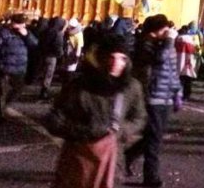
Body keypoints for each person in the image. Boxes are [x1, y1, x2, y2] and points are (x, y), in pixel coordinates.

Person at [46, 34, 147, 188]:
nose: (116, 63)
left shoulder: (131, 87)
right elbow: (54, 119)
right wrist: (83, 131)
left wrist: (120, 131)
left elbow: (139, 117)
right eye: (111, 57)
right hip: (76, 160)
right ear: (101, 58)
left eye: (122, 58)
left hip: (112, 160)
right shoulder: (79, 86)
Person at [125, 14, 182, 188]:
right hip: (153, 96)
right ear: (156, 31)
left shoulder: (164, 45)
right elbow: (159, 59)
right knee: (154, 139)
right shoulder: (144, 44)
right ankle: (151, 177)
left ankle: (128, 156)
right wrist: (168, 43)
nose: (168, 31)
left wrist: (177, 91)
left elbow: (173, 70)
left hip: (165, 96)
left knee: (153, 136)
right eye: (164, 28)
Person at [0, 13, 38, 122]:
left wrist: (27, 35)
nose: (21, 26)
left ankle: (4, 106)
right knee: (1, 92)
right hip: (4, 68)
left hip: (20, 69)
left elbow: (35, 45)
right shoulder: (3, 33)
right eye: (19, 23)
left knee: (18, 89)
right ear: (13, 23)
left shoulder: (26, 33)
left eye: (23, 24)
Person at [38, 16, 66, 100]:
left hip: (43, 54)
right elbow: (58, 46)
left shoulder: (45, 31)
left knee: (44, 72)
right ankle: (44, 92)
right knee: (48, 74)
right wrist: (60, 55)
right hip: (52, 56)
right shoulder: (58, 33)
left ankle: (43, 89)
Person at [175, 23, 200, 101]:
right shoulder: (192, 39)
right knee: (188, 80)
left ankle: (178, 95)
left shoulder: (177, 38)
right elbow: (196, 50)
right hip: (189, 62)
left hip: (179, 62)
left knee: (180, 80)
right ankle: (186, 95)